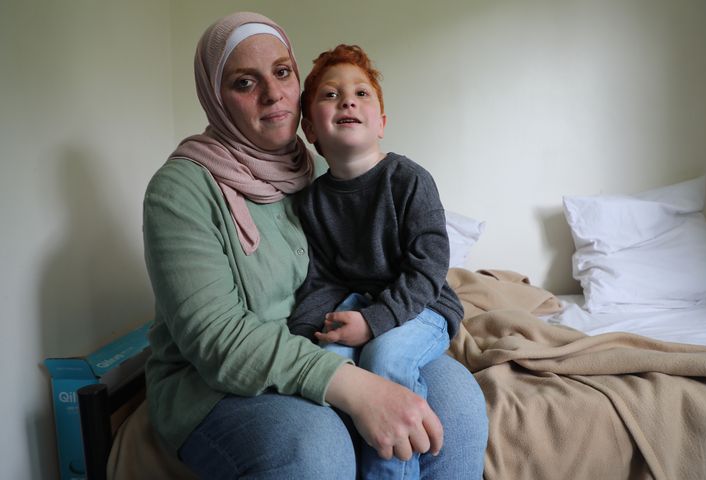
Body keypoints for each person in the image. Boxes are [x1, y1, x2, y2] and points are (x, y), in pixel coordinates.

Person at [142, 11, 488, 479]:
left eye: (282, 72)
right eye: (245, 83)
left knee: (460, 405)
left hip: (319, 344)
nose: (272, 93)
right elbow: (217, 340)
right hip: (217, 384)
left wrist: (368, 329)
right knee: (317, 449)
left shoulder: (302, 173)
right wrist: (353, 385)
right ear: (215, 98)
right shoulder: (181, 189)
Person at [287, 44, 463, 479]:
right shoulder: (311, 203)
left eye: (361, 93)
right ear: (310, 129)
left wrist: (374, 322)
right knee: (336, 362)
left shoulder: (409, 180)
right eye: (330, 95)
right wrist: (318, 328)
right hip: (358, 305)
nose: (347, 100)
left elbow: (428, 267)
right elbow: (318, 278)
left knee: (384, 358)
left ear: (381, 122)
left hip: (423, 306)